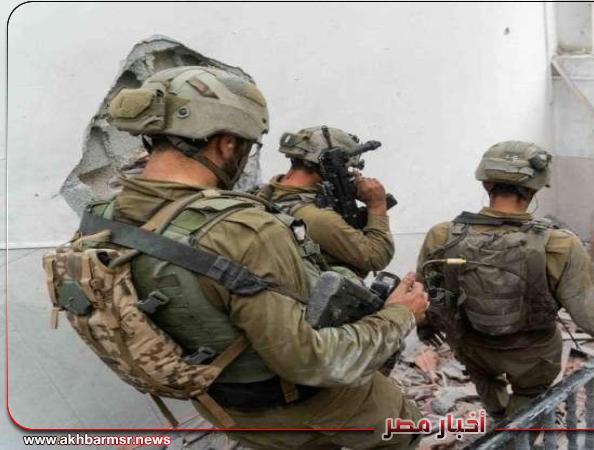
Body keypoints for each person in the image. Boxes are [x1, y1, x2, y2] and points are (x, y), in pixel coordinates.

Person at [73, 66, 427, 449]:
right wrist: (401, 314)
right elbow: (312, 360)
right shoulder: (244, 230)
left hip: (225, 408)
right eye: (247, 146)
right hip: (311, 403)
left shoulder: (99, 218)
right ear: (226, 144)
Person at [416, 141, 594, 422]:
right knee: (529, 396)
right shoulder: (560, 244)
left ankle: (498, 419)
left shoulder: (442, 234)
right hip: (533, 354)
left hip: (471, 345)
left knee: (486, 381)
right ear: (535, 188)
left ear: (486, 183)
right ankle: (514, 433)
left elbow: (427, 293)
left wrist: (426, 326)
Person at [257, 126, 394, 279]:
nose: (350, 174)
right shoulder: (317, 218)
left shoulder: (263, 195)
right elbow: (376, 257)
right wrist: (377, 206)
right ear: (331, 164)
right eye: (346, 167)